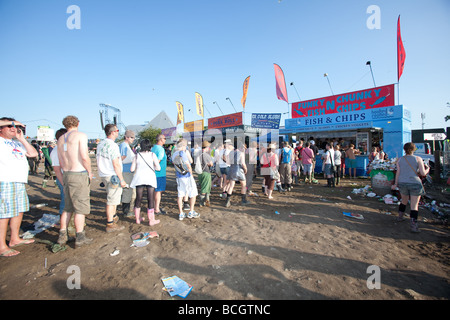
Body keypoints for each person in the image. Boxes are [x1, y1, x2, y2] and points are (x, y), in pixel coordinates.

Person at [0, 117, 38, 257]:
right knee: (4, 215)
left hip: (19, 182)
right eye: (9, 126)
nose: (13, 129)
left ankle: (14, 238)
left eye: (14, 126)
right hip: (4, 181)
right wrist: (15, 123)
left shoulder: (16, 143)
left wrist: (22, 139)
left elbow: (33, 154)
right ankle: (1, 246)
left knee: (18, 211)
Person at [56, 115, 93, 246]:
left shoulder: (60, 139)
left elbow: (60, 160)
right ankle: (80, 236)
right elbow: (84, 156)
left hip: (66, 173)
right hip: (78, 173)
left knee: (67, 207)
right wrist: (90, 171)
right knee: (80, 208)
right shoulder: (80, 135)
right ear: (77, 123)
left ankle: (62, 235)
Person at [392, 142, 429, 233]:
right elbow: (423, 173)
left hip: (402, 182)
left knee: (403, 200)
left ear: (404, 150)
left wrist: (396, 184)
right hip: (415, 183)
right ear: (414, 149)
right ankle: (413, 225)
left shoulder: (400, 160)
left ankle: (400, 217)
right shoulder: (418, 159)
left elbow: (398, 173)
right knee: (414, 205)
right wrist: (428, 169)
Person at [96, 124, 127, 232]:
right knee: (112, 200)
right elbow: (116, 164)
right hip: (113, 175)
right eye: (117, 130)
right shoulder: (113, 145)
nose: (118, 132)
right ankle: (110, 224)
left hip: (104, 174)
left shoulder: (101, 144)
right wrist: (122, 179)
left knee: (112, 197)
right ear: (113, 132)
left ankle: (113, 217)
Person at [130, 139, 161, 226]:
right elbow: (158, 168)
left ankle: (137, 219)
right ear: (150, 146)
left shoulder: (137, 155)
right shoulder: (152, 155)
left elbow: (132, 169)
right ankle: (151, 220)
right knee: (150, 198)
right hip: (150, 178)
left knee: (138, 198)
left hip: (139, 178)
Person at [172, 139, 199, 221]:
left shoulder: (174, 153)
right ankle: (191, 211)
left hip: (179, 176)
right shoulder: (182, 153)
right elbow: (188, 165)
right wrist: (191, 175)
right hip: (186, 176)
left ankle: (181, 213)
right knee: (193, 193)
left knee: (180, 194)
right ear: (183, 145)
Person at [224, 140, 249, 207]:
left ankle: (227, 201)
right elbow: (243, 164)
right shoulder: (241, 153)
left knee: (231, 185)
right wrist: (246, 169)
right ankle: (243, 200)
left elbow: (228, 163)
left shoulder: (231, 152)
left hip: (232, 169)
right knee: (243, 185)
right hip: (239, 169)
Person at [50, 128, 67, 216]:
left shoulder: (64, 148)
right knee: (65, 202)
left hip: (67, 178)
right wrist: (63, 185)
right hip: (62, 179)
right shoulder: (56, 150)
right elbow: (57, 170)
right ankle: (63, 224)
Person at [119, 130, 136, 217]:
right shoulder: (124, 146)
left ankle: (127, 209)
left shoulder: (126, 146)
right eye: (131, 137)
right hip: (126, 171)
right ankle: (126, 211)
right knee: (127, 191)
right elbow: (121, 159)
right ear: (126, 137)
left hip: (128, 171)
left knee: (129, 191)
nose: (133, 139)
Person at [151, 134, 168, 215]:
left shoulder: (153, 148)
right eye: (164, 138)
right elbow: (158, 161)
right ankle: (157, 209)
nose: (165, 140)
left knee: (155, 191)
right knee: (158, 191)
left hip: (153, 173)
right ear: (161, 139)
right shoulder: (161, 149)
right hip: (159, 173)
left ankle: (155, 207)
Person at [197, 140, 214, 207]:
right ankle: (201, 202)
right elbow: (211, 164)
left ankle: (207, 200)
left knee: (205, 186)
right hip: (206, 172)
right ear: (206, 147)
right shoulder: (206, 155)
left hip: (200, 172)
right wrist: (209, 163)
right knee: (205, 187)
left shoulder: (198, 154)